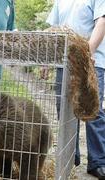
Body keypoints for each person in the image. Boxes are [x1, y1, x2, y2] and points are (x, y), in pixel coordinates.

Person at [47, 0, 105, 179]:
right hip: (64, 64)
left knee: (92, 110)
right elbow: (53, 30)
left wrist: (87, 53)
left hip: (92, 62)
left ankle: (98, 161)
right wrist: (48, 58)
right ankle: (71, 157)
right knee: (64, 110)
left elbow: (102, 22)